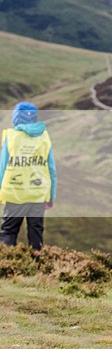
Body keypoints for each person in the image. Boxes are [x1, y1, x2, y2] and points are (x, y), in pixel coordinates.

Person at [0, 102, 57, 251]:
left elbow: (2, 167)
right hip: (38, 194)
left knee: (8, 232)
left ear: (16, 117)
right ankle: (37, 263)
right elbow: (51, 169)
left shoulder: (11, 137)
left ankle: (7, 263)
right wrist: (51, 196)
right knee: (35, 234)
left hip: (15, 193)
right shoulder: (44, 137)